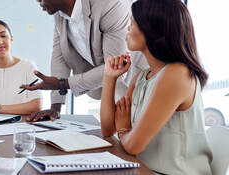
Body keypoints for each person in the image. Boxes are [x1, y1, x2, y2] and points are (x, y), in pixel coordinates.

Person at [100, 0, 212, 174]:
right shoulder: (142, 76)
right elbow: (107, 130)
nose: (127, 29)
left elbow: (133, 146)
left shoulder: (177, 74)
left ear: (153, 31)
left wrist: (124, 130)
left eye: (132, 23)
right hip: (144, 169)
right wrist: (109, 77)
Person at [20, 0, 147, 121]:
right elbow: (59, 56)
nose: (37, 0)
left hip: (140, 80)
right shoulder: (59, 14)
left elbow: (117, 66)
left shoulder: (110, 4)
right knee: (117, 135)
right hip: (110, 85)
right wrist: (55, 107)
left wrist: (64, 84)